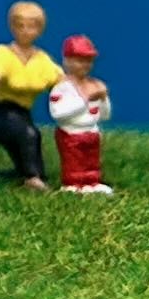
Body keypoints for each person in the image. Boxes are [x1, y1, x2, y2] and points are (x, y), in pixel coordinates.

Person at [0, 1, 62, 187]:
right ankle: (34, 178)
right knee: (29, 135)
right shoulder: (3, 53)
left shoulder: (42, 59)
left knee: (23, 151)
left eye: (31, 26)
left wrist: (74, 87)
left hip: (23, 114)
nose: (25, 31)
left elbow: (58, 78)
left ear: (40, 30)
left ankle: (20, 174)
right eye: (20, 25)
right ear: (12, 27)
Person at [50, 34, 115, 196]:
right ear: (67, 61)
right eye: (79, 60)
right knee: (74, 160)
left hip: (91, 131)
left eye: (88, 61)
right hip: (71, 133)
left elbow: (105, 115)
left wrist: (103, 99)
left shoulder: (94, 84)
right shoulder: (62, 88)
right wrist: (85, 100)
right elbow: (58, 114)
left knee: (91, 159)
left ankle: (91, 182)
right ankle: (72, 183)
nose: (85, 65)